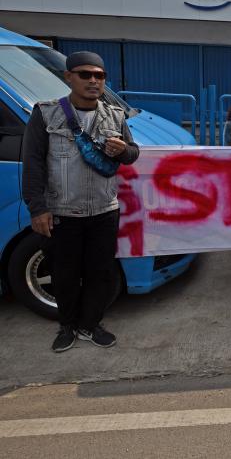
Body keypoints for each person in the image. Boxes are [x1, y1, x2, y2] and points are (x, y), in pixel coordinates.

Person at [22, 51, 140, 352]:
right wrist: (38, 208)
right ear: (68, 77)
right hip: (62, 212)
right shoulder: (46, 113)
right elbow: (33, 162)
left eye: (99, 76)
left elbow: (133, 153)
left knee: (100, 272)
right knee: (64, 274)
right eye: (85, 74)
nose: (93, 80)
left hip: (104, 210)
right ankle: (67, 326)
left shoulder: (115, 115)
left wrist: (122, 150)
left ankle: (90, 325)